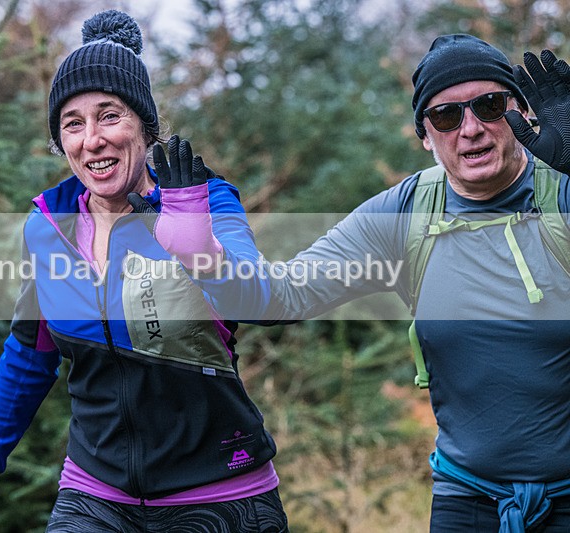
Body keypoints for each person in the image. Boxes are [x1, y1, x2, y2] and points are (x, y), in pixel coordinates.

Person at [129, 35, 570, 532]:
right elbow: (282, 297)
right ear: (425, 136)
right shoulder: (405, 214)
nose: (471, 129)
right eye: (446, 116)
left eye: (489, 106)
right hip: (467, 497)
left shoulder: (561, 190)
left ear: (521, 112)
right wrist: (204, 256)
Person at [0, 10, 289, 533]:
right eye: (73, 124)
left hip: (220, 493)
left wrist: (201, 251)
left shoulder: (204, 201)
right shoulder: (49, 228)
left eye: (109, 116)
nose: (92, 140)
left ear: (145, 126)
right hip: (94, 494)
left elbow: (262, 299)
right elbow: (30, 354)